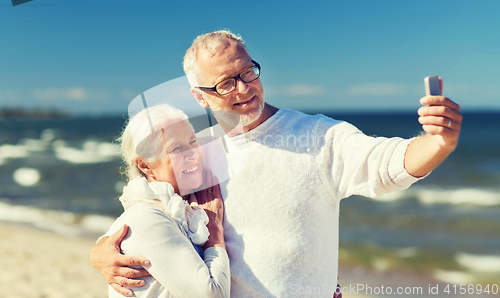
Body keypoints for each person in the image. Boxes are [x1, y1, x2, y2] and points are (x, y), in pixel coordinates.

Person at [91, 30, 462, 298]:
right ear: (200, 97)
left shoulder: (317, 135)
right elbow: (151, 205)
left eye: (248, 72)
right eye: (225, 84)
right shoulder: (200, 152)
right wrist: (102, 249)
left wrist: (438, 142)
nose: (244, 88)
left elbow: (387, 164)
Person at [101, 103, 230, 298]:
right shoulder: (147, 218)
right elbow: (212, 295)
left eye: (193, 141)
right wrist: (214, 230)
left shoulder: (183, 207)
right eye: (176, 148)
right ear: (145, 165)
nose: (193, 153)